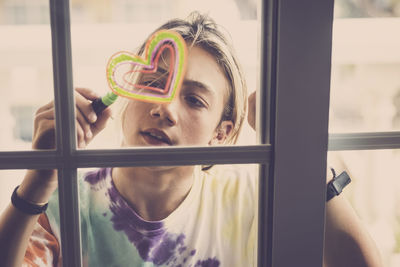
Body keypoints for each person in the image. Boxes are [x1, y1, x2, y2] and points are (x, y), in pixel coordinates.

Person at [0, 12, 383, 267]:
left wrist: (302, 154)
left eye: (195, 99)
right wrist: (39, 175)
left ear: (223, 132)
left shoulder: (253, 201)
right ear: (127, 93)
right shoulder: (65, 203)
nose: (164, 108)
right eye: (153, 82)